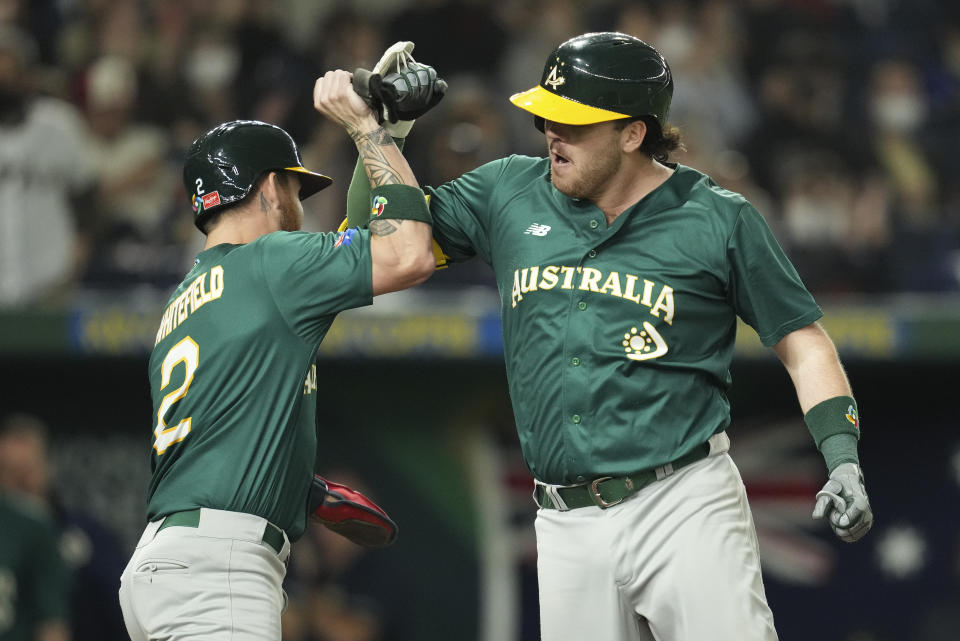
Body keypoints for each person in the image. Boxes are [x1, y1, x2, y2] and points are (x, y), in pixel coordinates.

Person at [346, 33, 874, 640]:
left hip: (683, 499)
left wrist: (842, 455)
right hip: (564, 520)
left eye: (574, 122)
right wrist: (384, 134)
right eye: (548, 116)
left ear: (633, 133)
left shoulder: (717, 218)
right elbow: (379, 245)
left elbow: (803, 342)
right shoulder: (506, 192)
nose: (551, 132)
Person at [118, 70, 436, 641]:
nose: (297, 203)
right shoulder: (271, 264)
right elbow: (407, 253)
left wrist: (393, 131)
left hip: (164, 563)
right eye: (292, 188)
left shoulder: (186, 298)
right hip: (221, 567)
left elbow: (357, 234)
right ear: (267, 187)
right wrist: (367, 129)